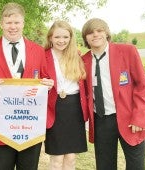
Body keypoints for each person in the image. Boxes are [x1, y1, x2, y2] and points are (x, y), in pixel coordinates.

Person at [0, 2, 54, 170]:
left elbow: (44, 78)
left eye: (16, 22)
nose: (13, 27)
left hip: (30, 125)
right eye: (8, 22)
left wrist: (47, 85)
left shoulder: (38, 51)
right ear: (1, 24)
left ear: (23, 23)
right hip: (0, 125)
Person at [81, 18, 145, 170]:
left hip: (130, 119)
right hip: (101, 121)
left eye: (99, 31)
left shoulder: (127, 51)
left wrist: (139, 118)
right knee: (105, 166)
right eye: (90, 33)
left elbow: (142, 86)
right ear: (85, 37)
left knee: (136, 166)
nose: (95, 35)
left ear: (106, 33)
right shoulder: (83, 61)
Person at [44, 20, 88, 170]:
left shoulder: (76, 55)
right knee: (56, 158)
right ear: (50, 38)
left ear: (71, 38)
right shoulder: (43, 56)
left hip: (74, 108)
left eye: (65, 37)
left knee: (70, 158)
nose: (61, 41)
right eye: (57, 37)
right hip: (53, 108)